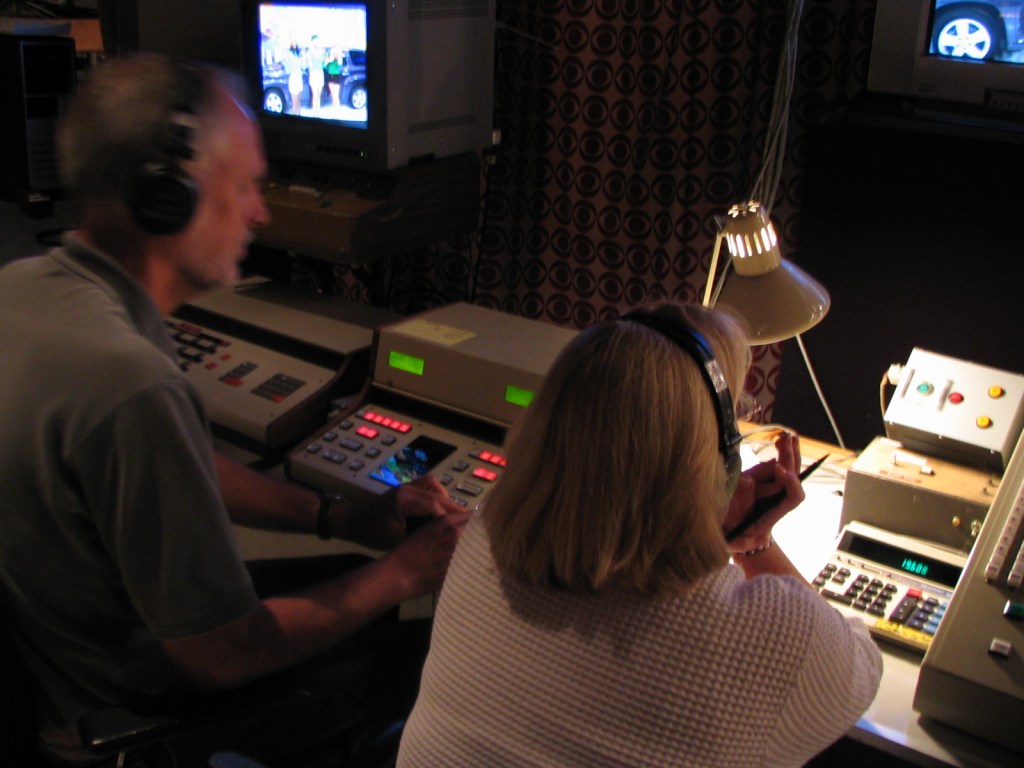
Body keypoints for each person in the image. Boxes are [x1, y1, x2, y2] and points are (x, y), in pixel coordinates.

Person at [0, 54, 468, 766]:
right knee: (407, 637)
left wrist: (335, 516)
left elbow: (179, 469)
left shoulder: (26, 290)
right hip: (117, 707)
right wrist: (409, 571)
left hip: (66, 656)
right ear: (170, 196)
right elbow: (223, 655)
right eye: (246, 183)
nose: (260, 211)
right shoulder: (132, 384)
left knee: (346, 565)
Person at [397, 302, 882, 768]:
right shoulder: (781, 641)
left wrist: (703, 530)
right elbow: (861, 667)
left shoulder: (480, 537)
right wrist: (754, 543)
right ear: (719, 459)